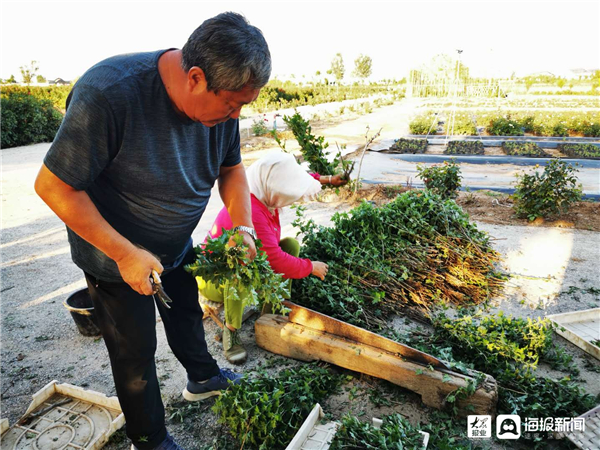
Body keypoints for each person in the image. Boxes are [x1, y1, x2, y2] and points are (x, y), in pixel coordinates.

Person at [34, 12, 271, 450]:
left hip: (175, 244)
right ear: (196, 78)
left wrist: (243, 227)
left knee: (185, 313)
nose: (236, 115)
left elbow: (232, 169)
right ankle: (150, 439)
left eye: (244, 106)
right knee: (134, 356)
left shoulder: (223, 104)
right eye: (232, 104)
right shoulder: (109, 93)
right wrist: (125, 254)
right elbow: (54, 186)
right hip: (114, 256)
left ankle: (203, 377)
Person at [199, 152, 346, 363]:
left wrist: (328, 180)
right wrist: (309, 267)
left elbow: (297, 177)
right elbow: (274, 260)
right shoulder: (251, 210)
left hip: (249, 261)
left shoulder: (261, 190)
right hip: (215, 278)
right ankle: (230, 331)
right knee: (240, 268)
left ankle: (272, 306)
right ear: (272, 186)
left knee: (291, 244)